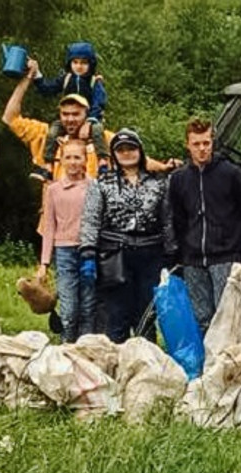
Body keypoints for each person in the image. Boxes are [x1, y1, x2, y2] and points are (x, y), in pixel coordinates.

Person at [78, 129, 173, 342]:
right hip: (114, 255)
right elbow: (91, 219)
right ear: (113, 154)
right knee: (115, 316)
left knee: (146, 316)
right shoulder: (102, 182)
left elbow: (167, 221)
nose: (127, 153)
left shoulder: (158, 183)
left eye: (131, 148)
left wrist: (171, 255)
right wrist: (87, 253)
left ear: (140, 151)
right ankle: (114, 366)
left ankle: (144, 366)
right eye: (121, 149)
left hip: (151, 255)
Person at [169, 119, 241, 330]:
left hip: (225, 256)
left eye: (206, 143)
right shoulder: (179, 179)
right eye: (196, 144)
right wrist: (184, 251)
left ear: (212, 143)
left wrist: (238, 252)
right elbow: (178, 218)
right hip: (193, 259)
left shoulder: (231, 174)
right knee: (202, 319)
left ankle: (228, 361)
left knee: (228, 318)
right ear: (187, 144)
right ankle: (207, 362)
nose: (202, 149)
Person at [39, 141, 96, 339]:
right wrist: (44, 263)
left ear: (86, 161)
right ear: (61, 160)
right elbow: (49, 226)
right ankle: (67, 345)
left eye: (77, 157)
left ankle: (87, 347)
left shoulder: (94, 187)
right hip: (64, 251)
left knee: (89, 304)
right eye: (68, 157)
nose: (73, 162)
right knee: (69, 306)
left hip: (90, 252)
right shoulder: (53, 190)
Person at [32, 42, 108, 179]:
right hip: (67, 119)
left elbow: (99, 102)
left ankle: (103, 163)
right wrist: (37, 75)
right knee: (53, 132)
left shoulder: (94, 81)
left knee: (98, 131)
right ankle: (48, 166)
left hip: (90, 118)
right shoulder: (66, 78)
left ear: (91, 64)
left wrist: (90, 121)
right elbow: (48, 89)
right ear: (70, 63)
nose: (79, 66)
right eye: (75, 62)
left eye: (84, 63)